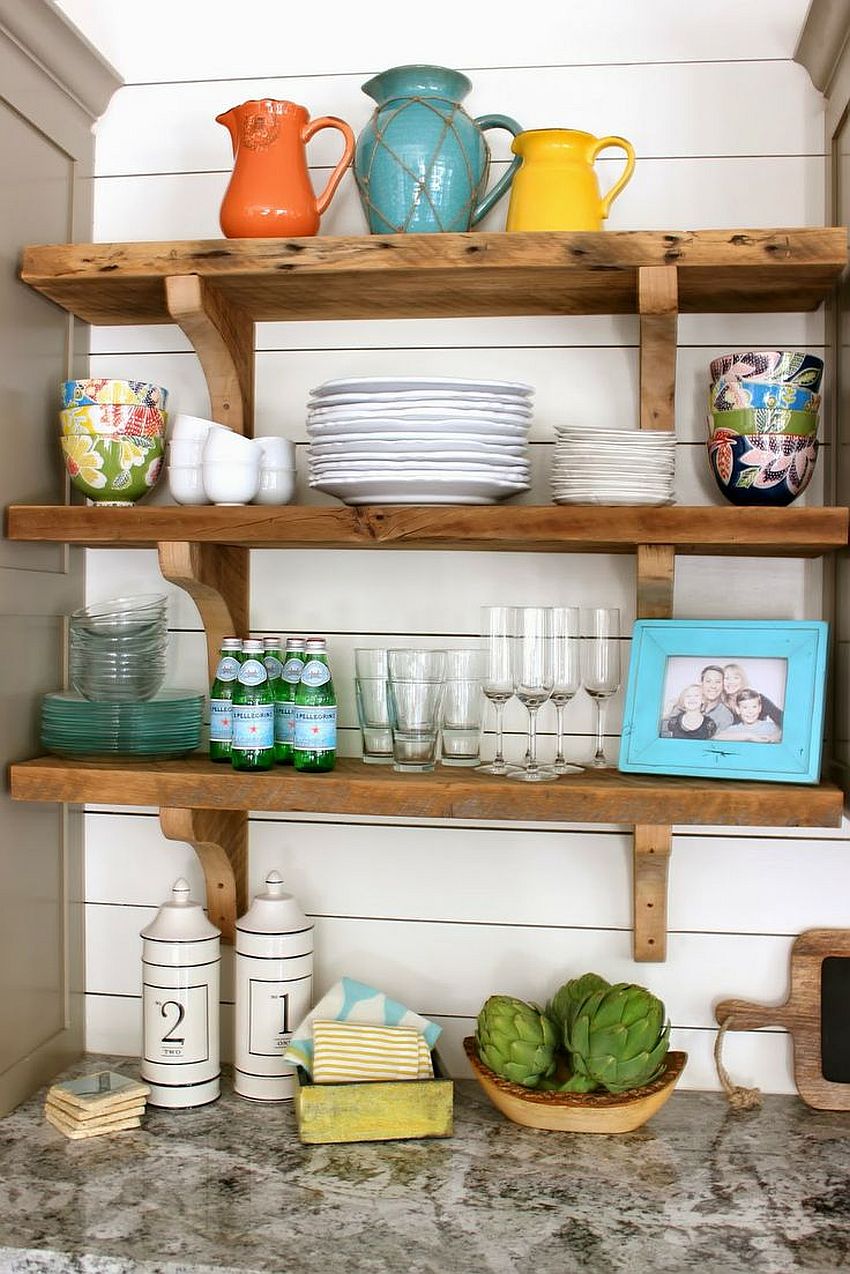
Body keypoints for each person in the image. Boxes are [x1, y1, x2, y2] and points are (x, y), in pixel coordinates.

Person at [722, 663, 784, 727]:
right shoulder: (720, 705)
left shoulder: (759, 699)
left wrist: (775, 735)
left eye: (736, 678)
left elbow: (783, 720)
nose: (731, 682)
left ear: (742, 680)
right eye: (726, 678)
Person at [714, 689, 782, 743]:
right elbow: (715, 737)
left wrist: (775, 737)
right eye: (745, 707)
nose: (750, 711)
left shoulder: (771, 728)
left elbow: (788, 734)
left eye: (754, 707)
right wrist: (748, 737)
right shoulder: (733, 730)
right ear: (738, 710)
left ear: (760, 708)